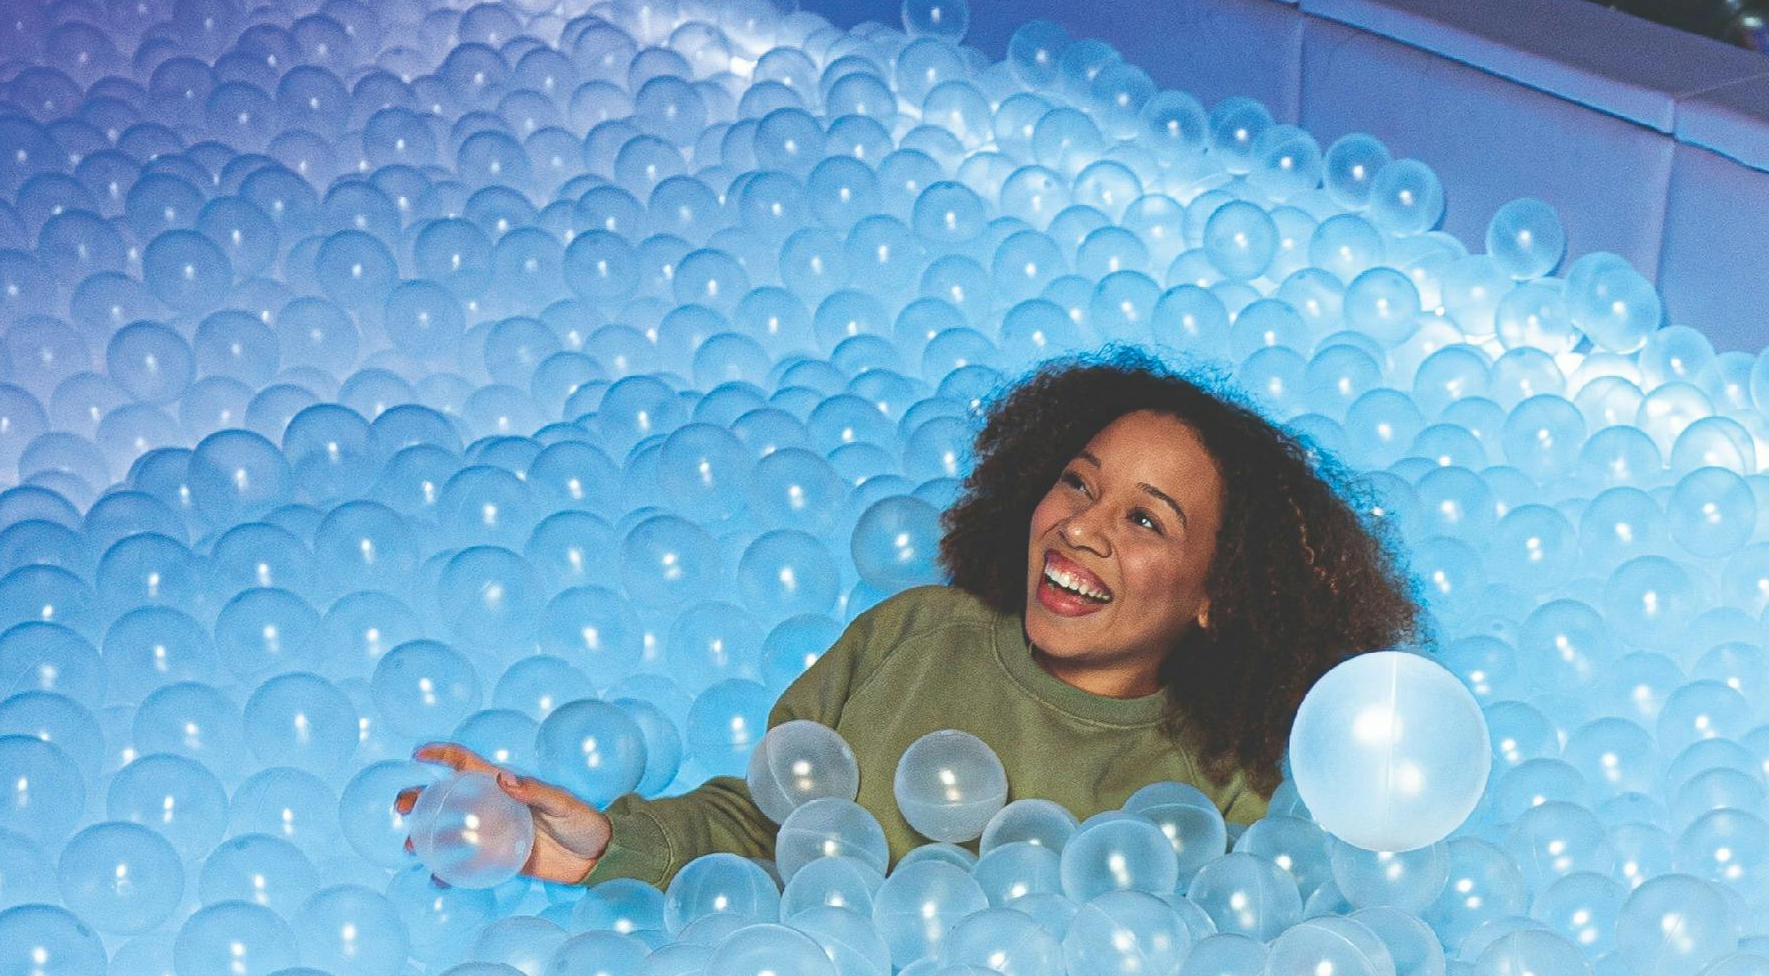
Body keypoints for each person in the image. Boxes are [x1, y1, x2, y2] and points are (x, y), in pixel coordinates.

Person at [395, 351, 1422, 886]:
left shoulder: (1228, 779)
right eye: (1075, 483)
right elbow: (760, 826)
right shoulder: (912, 635)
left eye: (1145, 519)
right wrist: (592, 842)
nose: (1081, 530)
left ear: (1217, 593)